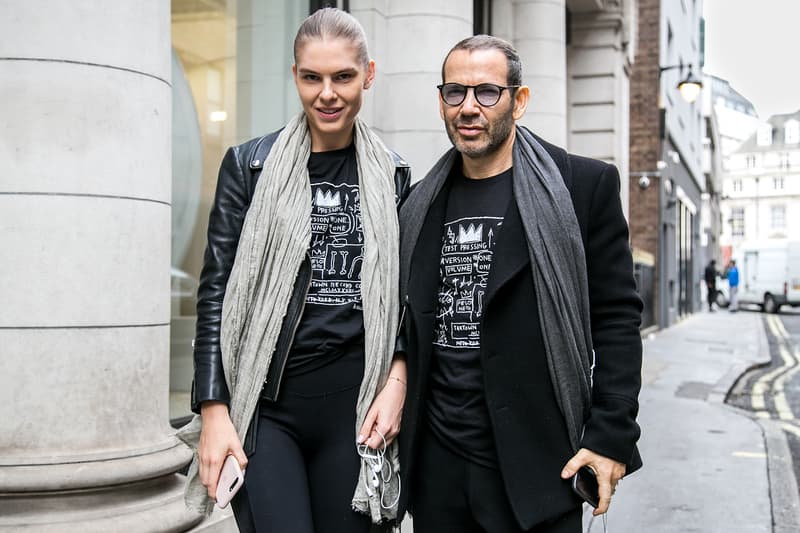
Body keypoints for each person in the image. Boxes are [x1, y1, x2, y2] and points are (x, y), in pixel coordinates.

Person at [396, 35, 643, 533]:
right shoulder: (418, 203)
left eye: (487, 92)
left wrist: (611, 434)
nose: (468, 108)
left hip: (538, 466)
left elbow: (617, 318)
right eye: (454, 93)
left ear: (519, 100)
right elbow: (403, 321)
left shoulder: (582, 187)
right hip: (437, 468)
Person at [177, 8, 409, 533]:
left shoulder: (393, 176)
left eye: (343, 77)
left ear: (368, 75)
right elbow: (216, 292)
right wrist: (214, 409)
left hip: (354, 411)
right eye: (312, 77)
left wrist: (398, 380)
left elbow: (405, 301)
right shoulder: (249, 165)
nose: (327, 93)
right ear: (295, 77)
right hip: (267, 407)